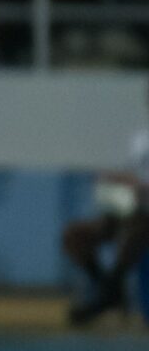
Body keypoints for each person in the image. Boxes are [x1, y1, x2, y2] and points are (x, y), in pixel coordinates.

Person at [63, 83, 149, 326]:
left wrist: (136, 185)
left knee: (138, 229)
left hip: (144, 216)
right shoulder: (141, 139)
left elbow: (140, 182)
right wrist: (114, 182)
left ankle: (108, 293)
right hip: (131, 207)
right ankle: (107, 289)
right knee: (75, 236)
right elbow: (133, 178)